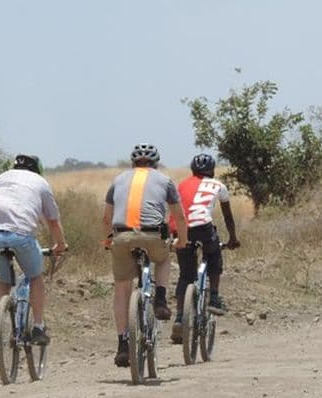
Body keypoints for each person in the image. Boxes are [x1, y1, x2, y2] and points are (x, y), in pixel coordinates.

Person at [102, 143, 188, 367]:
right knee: (163, 257)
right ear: (155, 163)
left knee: (122, 288)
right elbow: (179, 217)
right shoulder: (165, 180)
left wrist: (107, 240)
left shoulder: (118, 179)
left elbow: (106, 218)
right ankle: (160, 298)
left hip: (122, 236)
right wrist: (182, 241)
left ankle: (122, 344)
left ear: (133, 163)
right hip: (153, 236)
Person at [0, 154, 67, 347]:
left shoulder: (1, 178)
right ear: (38, 169)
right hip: (21, 236)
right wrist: (61, 245)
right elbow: (53, 221)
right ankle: (38, 326)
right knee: (35, 277)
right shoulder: (41, 183)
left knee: (4, 281)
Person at [170, 153, 240, 344]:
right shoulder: (218, 185)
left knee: (186, 274)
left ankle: (179, 318)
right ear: (212, 170)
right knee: (214, 256)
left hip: (180, 228)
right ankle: (215, 297)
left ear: (192, 170)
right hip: (203, 227)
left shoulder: (182, 185)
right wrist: (233, 238)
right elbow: (228, 216)